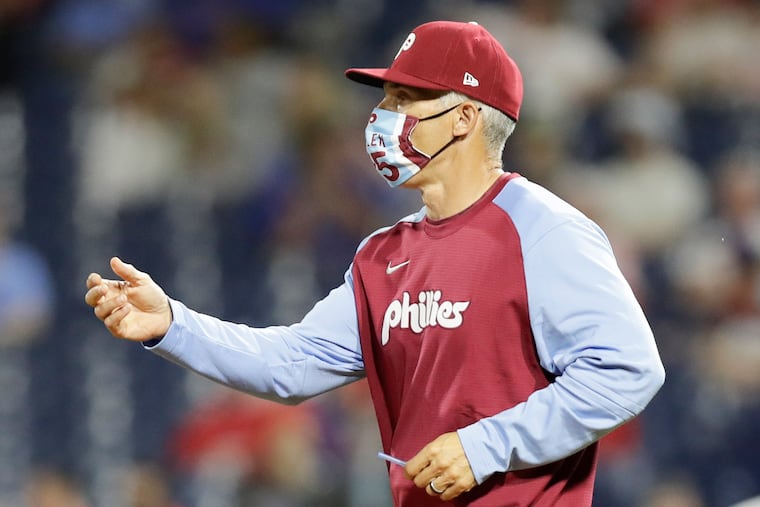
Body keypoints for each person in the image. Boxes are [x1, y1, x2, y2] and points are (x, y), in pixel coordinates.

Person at [85, 20, 665, 506]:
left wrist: (486, 444)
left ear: (464, 118)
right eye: (386, 98)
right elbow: (295, 364)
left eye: (406, 99)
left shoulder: (543, 229)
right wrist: (172, 325)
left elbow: (629, 369)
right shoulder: (383, 254)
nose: (382, 114)